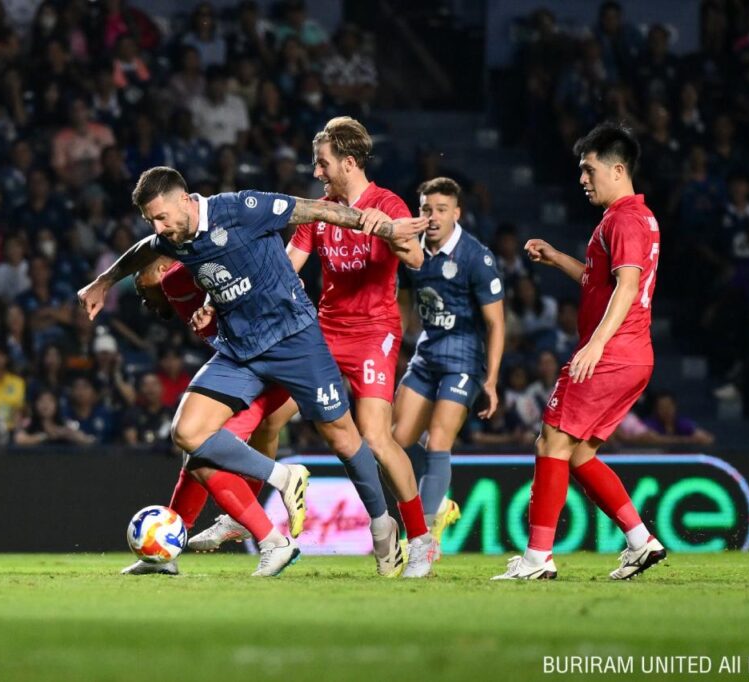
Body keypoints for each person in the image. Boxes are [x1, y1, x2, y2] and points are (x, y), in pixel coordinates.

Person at [78, 166, 426, 578]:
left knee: (344, 436)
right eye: (151, 220)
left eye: (162, 216)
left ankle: (382, 525)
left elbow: (315, 209)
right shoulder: (173, 238)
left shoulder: (241, 208)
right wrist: (103, 281)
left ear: (184, 199)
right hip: (240, 351)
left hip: (294, 341)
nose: (159, 227)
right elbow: (144, 250)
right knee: (189, 434)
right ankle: (280, 487)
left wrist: (378, 225)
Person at [494, 122, 666, 581]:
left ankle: (537, 559)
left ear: (616, 169)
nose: (582, 179)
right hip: (634, 354)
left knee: (550, 442)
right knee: (579, 454)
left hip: (611, 352)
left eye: (589, 170)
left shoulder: (623, 219)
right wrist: (557, 258)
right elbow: (602, 281)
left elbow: (627, 288)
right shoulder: (639, 217)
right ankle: (640, 539)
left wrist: (595, 344)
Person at [284, 116, 437, 577]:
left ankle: (421, 540)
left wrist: (386, 229)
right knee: (271, 411)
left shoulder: (387, 203)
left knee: (375, 435)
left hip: (373, 332)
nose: (317, 172)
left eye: (323, 163)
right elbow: (291, 265)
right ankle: (246, 518)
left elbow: (416, 259)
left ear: (348, 163)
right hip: (325, 330)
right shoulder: (323, 208)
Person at [120, 251, 298, 576]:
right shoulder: (183, 297)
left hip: (268, 367)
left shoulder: (183, 273)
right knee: (197, 456)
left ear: (161, 269)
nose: (143, 299)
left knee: (204, 451)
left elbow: (224, 257)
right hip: (258, 369)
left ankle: (275, 539)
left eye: (141, 286)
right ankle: (167, 552)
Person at [392, 177, 505, 565]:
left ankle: (424, 538)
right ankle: (438, 505)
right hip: (426, 356)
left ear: (457, 213)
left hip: (464, 361)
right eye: (426, 209)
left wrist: (490, 380)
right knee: (392, 442)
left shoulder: (476, 257)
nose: (433, 216)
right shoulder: (410, 250)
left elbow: (496, 324)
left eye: (441, 209)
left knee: (438, 441)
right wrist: (396, 341)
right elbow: (405, 300)